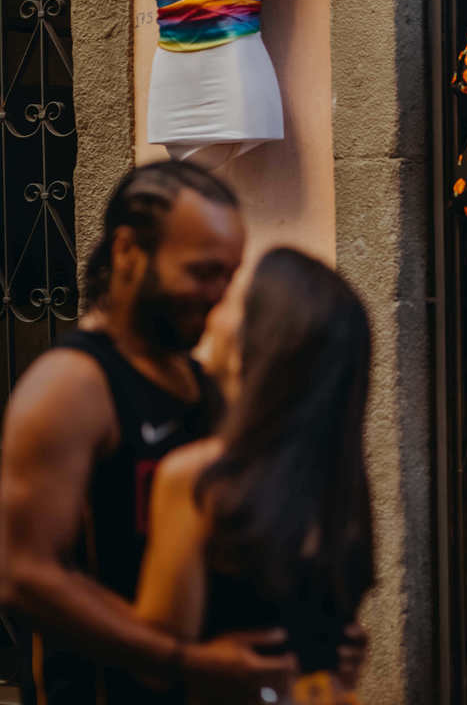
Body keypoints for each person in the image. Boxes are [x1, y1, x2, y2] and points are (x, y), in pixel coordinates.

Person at [0, 162, 355, 703]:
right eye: (202, 271)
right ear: (127, 252)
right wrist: (184, 661)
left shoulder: (199, 376)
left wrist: (311, 634)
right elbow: (22, 575)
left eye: (230, 275)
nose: (219, 293)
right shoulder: (71, 386)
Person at [135, 248, 375, 705]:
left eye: (231, 299)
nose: (213, 305)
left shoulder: (199, 478)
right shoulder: (338, 480)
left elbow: (155, 665)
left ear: (259, 339)